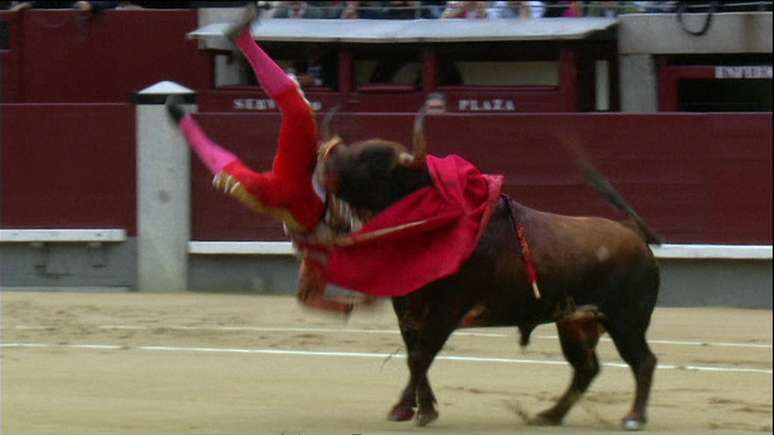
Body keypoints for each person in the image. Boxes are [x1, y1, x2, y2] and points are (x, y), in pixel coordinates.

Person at [166, 3, 359, 314]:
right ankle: (244, 42)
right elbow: (312, 296)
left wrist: (345, 307)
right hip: (305, 182)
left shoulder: (315, 250)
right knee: (298, 109)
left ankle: (186, 125)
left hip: (294, 197)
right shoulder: (326, 248)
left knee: (238, 176)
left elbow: (308, 298)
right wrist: (348, 305)